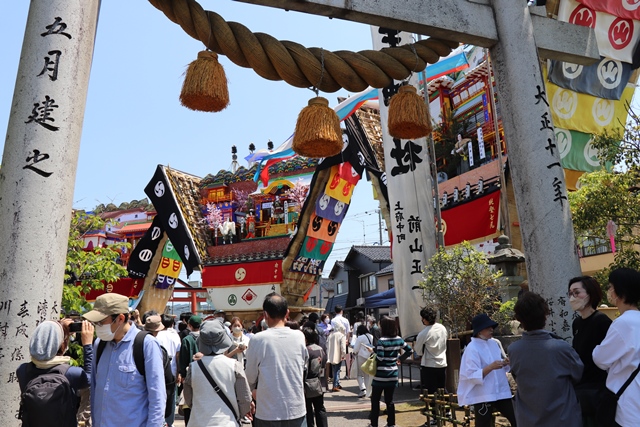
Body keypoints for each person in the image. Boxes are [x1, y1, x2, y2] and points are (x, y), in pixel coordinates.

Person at [83, 293, 166, 427]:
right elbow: (94, 390)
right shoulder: (100, 344)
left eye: (101, 321)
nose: (98, 326)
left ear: (120, 318)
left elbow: (157, 397)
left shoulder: (146, 344)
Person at [509, 292, 583, 427]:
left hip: (528, 419)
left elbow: (516, 376)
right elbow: (578, 374)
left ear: (519, 319)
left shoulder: (514, 350)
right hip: (562, 418)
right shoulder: (561, 348)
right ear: (545, 315)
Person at [245, 293, 309, 427]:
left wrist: (250, 395)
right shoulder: (299, 336)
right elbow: (303, 366)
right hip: (296, 408)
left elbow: (250, 377)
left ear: (265, 314)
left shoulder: (258, 339)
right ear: (287, 313)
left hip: (267, 410)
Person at [17, 319, 94, 427]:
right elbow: (90, 379)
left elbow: (46, 353)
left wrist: (60, 330)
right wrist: (87, 345)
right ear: (61, 344)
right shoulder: (71, 373)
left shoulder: (22, 370)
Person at [593, 268, 640, 427]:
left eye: (611, 287)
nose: (609, 291)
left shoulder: (623, 323)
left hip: (628, 403)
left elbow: (600, 359)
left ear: (621, 291)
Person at [184, 320, 253, 427]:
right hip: (227, 422)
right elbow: (245, 398)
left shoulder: (193, 368)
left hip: (198, 422)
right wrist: (239, 414)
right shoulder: (234, 365)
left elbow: (188, 398)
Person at [567, 276, 612, 426]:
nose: (572, 297)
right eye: (570, 293)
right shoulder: (577, 323)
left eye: (577, 292)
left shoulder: (602, 321)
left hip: (599, 390)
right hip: (581, 389)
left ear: (590, 293)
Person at [457, 314, 517, 427]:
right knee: (483, 424)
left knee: (517, 418)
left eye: (492, 327)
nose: (491, 330)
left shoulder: (494, 344)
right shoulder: (472, 348)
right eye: (487, 327)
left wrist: (505, 363)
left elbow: (498, 364)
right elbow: (470, 375)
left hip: (500, 391)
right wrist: (490, 367)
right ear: (479, 331)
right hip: (483, 393)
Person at [369, 316, 412, 427]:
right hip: (393, 374)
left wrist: (374, 354)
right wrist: (400, 359)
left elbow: (380, 358)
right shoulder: (399, 339)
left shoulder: (381, 341)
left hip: (380, 376)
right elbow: (410, 350)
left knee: (375, 400)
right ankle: (391, 423)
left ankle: (374, 424)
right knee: (390, 400)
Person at [415, 307, 448, 395]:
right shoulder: (442, 328)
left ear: (425, 319)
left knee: (431, 390)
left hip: (429, 364)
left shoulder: (423, 333)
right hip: (442, 362)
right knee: (441, 388)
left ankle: (433, 408)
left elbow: (418, 350)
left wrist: (421, 353)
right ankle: (443, 407)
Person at [157, 314, 182, 427]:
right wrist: (178, 372)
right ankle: (169, 422)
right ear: (172, 324)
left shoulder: (157, 335)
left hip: (159, 367)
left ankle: (160, 420)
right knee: (171, 396)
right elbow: (178, 355)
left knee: (159, 395)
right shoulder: (175, 335)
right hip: (172, 368)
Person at [303, 327, 328, 427]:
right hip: (320, 382)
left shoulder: (306, 351)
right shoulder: (320, 349)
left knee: (308, 409)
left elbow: (304, 369)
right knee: (320, 408)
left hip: (308, 384)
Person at [179, 315, 202, 426]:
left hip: (190, 375)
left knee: (188, 401)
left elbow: (183, 359)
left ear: (190, 325)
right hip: (204, 375)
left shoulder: (187, 340)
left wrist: (182, 374)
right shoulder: (205, 338)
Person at [352, 324, 374, 398]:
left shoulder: (360, 337)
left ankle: (363, 389)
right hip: (370, 356)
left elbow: (356, 349)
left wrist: (353, 354)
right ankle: (369, 391)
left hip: (361, 356)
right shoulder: (371, 336)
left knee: (359, 374)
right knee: (367, 374)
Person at [326, 324, 346, 392]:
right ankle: (335, 385)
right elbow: (343, 347)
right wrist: (344, 355)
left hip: (331, 355)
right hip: (338, 355)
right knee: (337, 371)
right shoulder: (341, 335)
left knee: (334, 370)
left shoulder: (330, 335)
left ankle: (337, 384)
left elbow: (327, 345)